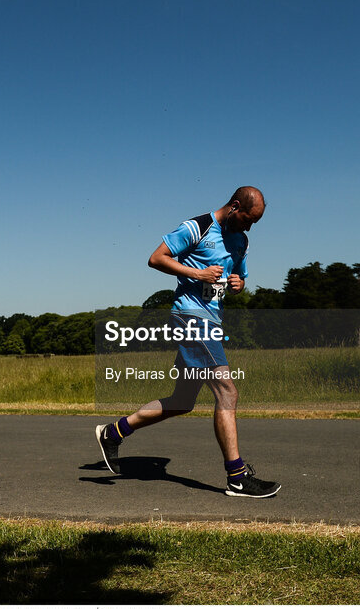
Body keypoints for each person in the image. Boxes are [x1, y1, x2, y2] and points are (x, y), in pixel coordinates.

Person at [95, 186, 281, 498]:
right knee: (227, 392)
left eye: (254, 223)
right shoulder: (196, 228)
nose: (249, 227)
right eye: (248, 219)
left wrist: (238, 284)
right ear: (235, 207)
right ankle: (237, 477)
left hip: (213, 320)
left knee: (182, 401)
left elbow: (239, 278)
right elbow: (156, 259)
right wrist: (198, 273)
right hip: (192, 319)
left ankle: (114, 433)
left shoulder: (242, 240)